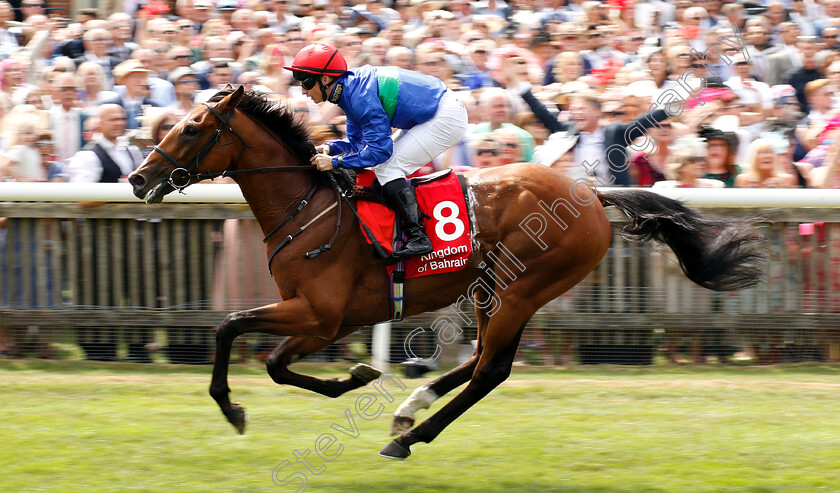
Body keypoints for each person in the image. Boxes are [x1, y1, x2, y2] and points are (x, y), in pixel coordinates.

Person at [285, 42, 468, 260]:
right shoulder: (347, 90)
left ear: (325, 79)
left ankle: (419, 237)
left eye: (306, 82)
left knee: (388, 168)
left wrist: (334, 163)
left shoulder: (359, 96)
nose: (303, 90)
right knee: (384, 167)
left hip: (444, 117)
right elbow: (356, 143)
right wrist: (331, 147)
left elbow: (379, 151)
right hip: (431, 112)